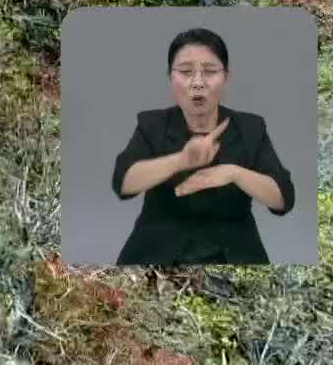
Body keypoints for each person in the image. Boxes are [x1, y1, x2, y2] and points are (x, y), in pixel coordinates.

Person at [110, 28, 294, 264]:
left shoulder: (250, 128)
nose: (197, 83)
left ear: (226, 76)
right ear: (170, 76)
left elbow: (283, 198)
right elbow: (123, 183)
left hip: (234, 252)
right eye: (186, 72)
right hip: (157, 251)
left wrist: (233, 173)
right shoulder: (152, 124)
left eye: (209, 71)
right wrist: (181, 161)